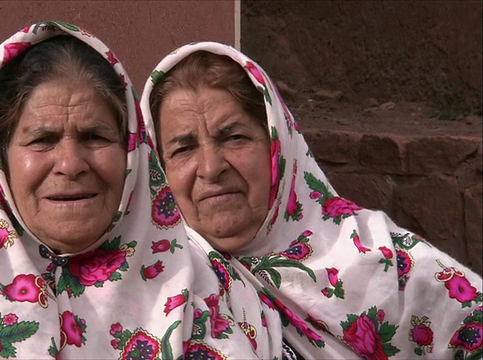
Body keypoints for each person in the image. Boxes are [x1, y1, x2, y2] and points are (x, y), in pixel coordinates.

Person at [0, 23, 280, 359]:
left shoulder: (205, 286)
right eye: (42, 140)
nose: (72, 164)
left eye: (95, 136)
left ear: (132, 149)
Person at [141, 42, 483, 359]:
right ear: (159, 167)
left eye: (234, 137)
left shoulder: (380, 259)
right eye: (183, 149)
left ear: (279, 148)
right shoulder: (159, 282)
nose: (211, 168)